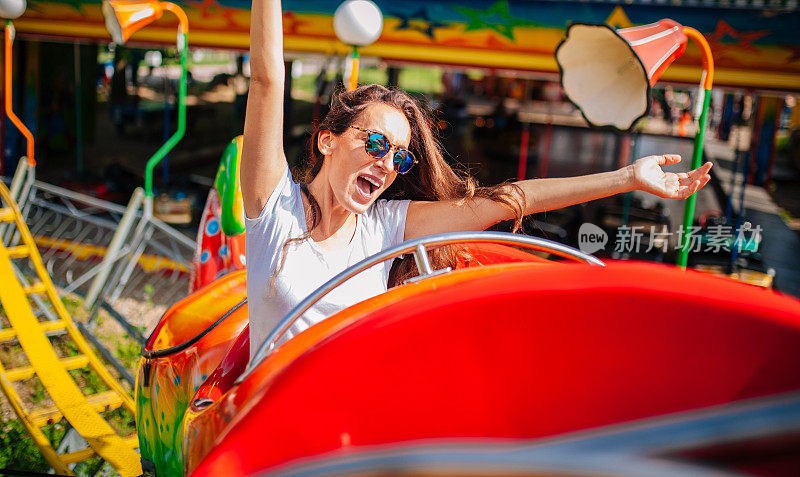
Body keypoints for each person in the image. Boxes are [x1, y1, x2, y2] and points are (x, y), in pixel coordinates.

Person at [242, 0, 713, 359]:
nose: (387, 164)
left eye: (401, 158)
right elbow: (267, 79)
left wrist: (628, 176)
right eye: (377, 145)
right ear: (327, 140)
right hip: (269, 426)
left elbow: (509, 200)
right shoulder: (275, 208)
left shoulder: (386, 225)